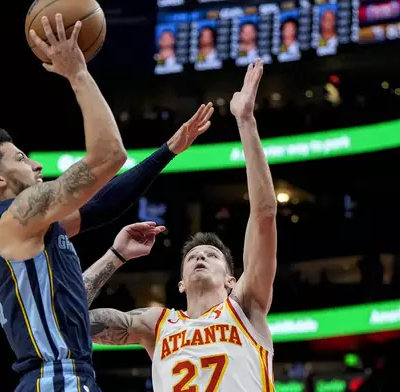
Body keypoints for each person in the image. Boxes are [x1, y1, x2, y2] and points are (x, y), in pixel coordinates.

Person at [0, 13, 214, 392]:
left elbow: (99, 207)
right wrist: (77, 73)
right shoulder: (13, 217)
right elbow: (108, 156)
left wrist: (167, 152)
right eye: (21, 158)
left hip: (63, 379)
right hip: (57, 379)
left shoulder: (30, 228)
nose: (36, 164)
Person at [87, 60, 278, 392]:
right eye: (192, 257)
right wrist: (115, 256)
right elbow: (64, 318)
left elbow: (264, 214)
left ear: (232, 281)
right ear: (180, 285)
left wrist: (245, 120)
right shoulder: (156, 323)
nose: (200, 258)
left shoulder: (245, 306)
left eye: (211, 256)